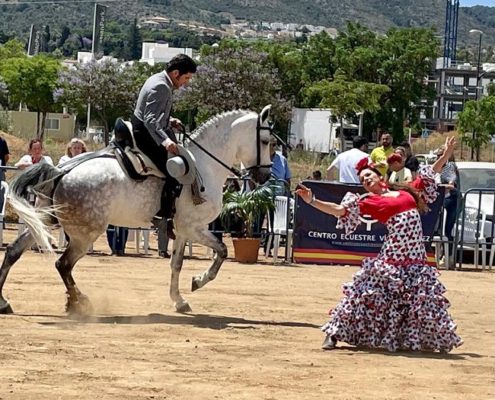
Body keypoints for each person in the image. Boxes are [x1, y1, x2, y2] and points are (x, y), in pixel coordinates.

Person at [296, 136, 462, 353]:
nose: (366, 180)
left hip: (415, 259)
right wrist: (312, 201)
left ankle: (414, 338)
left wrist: (446, 153)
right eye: (363, 180)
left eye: (368, 176)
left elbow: (431, 171)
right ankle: (334, 332)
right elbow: (339, 210)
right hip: (392, 258)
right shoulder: (367, 201)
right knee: (363, 295)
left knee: (420, 301)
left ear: (379, 176)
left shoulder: (406, 191)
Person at [131, 54, 197, 240]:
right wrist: (166, 141)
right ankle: (162, 217)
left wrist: (170, 120)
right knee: (174, 172)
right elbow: (151, 120)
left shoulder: (160, 80)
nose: (186, 82)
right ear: (176, 73)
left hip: (146, 128)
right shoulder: (162, 86)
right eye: (186, 78)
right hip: (145, 134)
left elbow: (154, 114)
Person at [435, 144, 459, 265]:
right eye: (437, 156)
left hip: (451, 201)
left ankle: (448, 257)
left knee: (446, 230)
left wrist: (440, 187)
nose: (437, 158)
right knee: (440, 230)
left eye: (440, 156)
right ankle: (442, 256)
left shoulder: (450, 166)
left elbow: (452, 184)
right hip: (441, 202)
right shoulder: (439, 168)